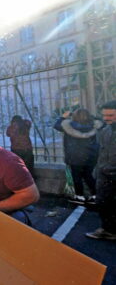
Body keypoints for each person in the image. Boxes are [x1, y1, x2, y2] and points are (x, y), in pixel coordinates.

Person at [53, 108, 103, 205]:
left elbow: (56, 125)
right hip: (90, 156)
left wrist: (63, 117)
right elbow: (101, 122)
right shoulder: (93, 125)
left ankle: (80, 197)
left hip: (75, 156)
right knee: (88, 175)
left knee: (77, 177)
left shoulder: (68, 126)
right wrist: (90, 116)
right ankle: (95, 196)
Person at [86, 100, 116, 240]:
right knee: (103, 203)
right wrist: (98, 170)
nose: (106, 118)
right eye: (104, 115)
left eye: (110, 115)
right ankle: (108, 230)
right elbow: (102, 153)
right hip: (105, 175)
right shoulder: (105, 131)